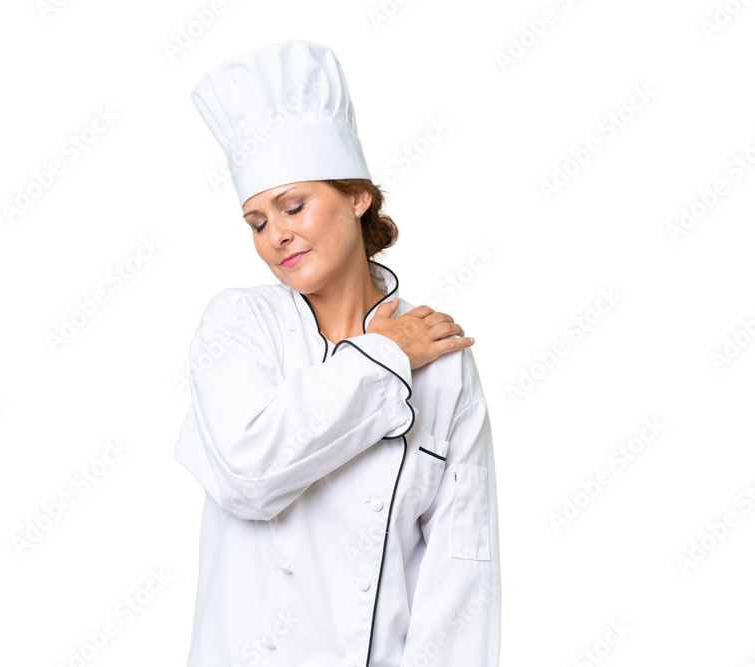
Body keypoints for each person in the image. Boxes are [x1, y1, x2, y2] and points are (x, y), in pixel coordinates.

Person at [174, 39, 500, 667]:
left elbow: (462, 566)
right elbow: (251, 476)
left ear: (356, 196)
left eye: (293, 206)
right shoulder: (240, 325)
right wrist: (385, 358)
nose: (277, 235)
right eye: (257, 222)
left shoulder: (441, 356)